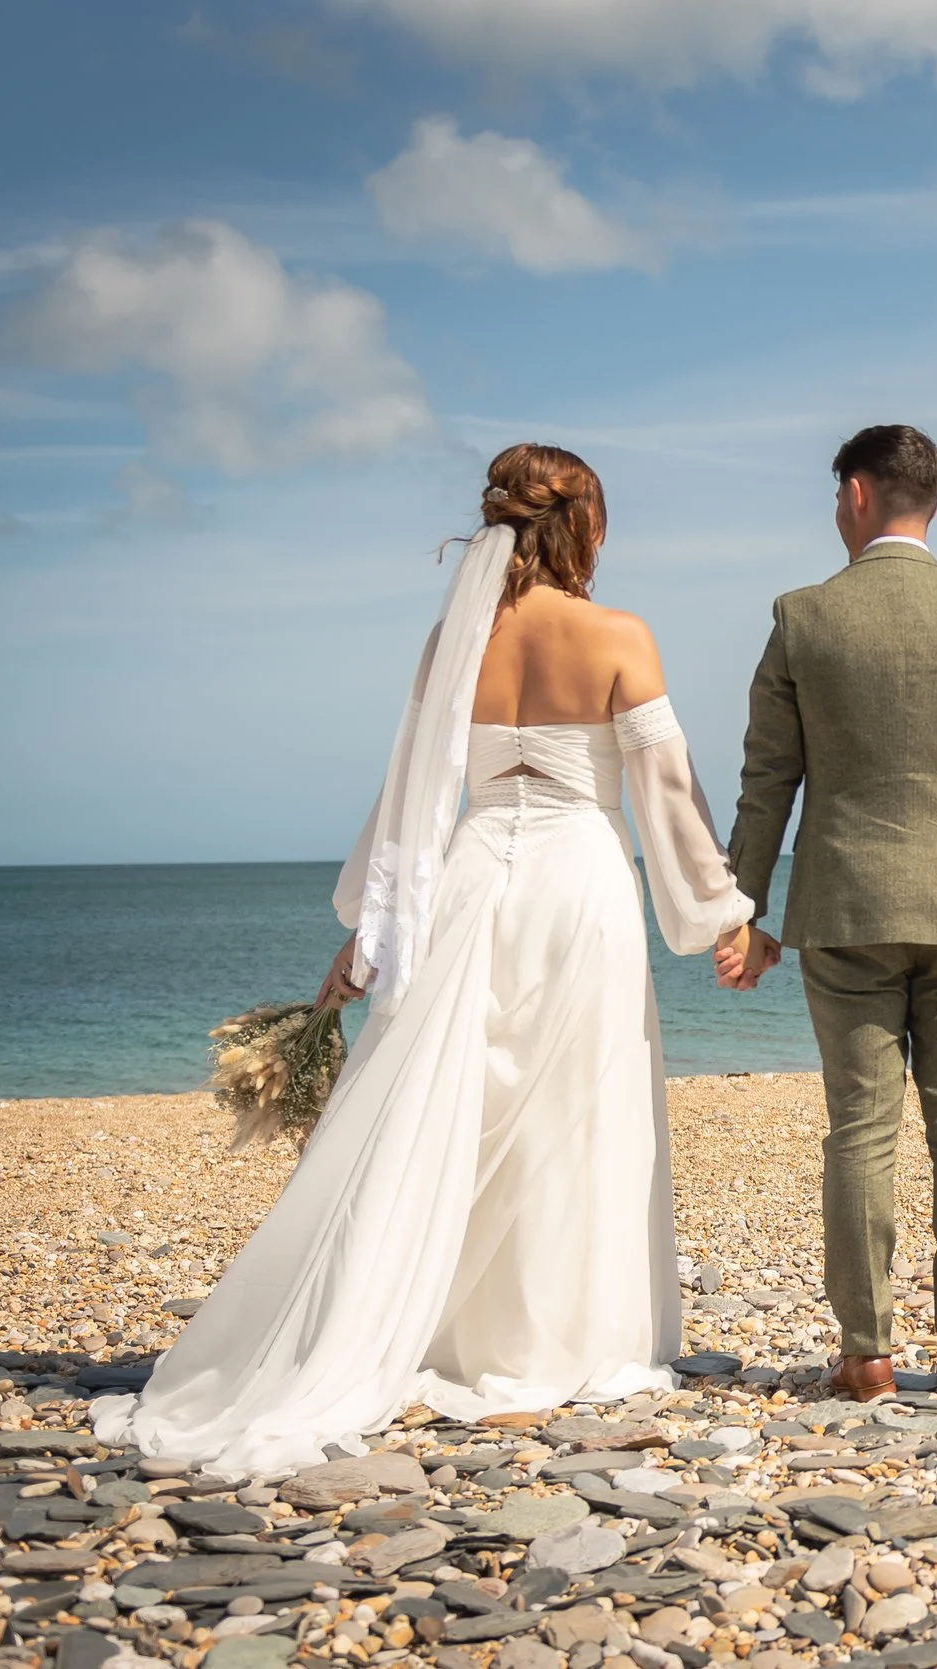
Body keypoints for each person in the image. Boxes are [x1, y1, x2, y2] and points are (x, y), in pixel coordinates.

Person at [95, 445, 754, 1477]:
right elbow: (666, 792)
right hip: (579, 885)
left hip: (468, 881)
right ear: (584, 524)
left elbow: (410, 793)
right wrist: (718, 910)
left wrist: (373, 925)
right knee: (572, 1104)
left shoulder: (453, 640)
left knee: (455, 1100)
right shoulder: (619, 635)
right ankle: (557, 1339)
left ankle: (438, 1326)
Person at [715, 424, 937, 1403]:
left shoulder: (804, 617)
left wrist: (744, 911)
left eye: (835, 495)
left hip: (847, 906)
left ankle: (864, 1353)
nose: (834, 510)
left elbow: (766, 780)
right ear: (929, 501)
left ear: (858, 494)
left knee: (859, 1129)